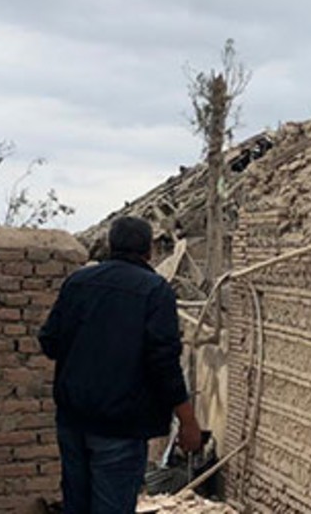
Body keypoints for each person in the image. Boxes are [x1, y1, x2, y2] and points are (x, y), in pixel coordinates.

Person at [39, 215, 202, 513]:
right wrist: (188, 422)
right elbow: (164, 364)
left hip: (73, 420)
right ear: (149, 250)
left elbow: (49, 342)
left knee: (76, 505)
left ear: (111, 245)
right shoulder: (155, 292)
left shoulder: (77, 283)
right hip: (121, 427)